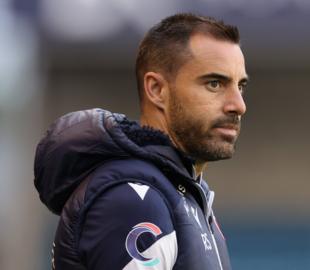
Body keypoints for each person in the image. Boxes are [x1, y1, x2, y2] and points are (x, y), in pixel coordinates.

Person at [34, 13, 248, 270]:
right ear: (157, 90)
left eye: (240, 86)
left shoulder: (186, 198)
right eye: (214, 83)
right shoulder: (134, 200)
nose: (238, 105)